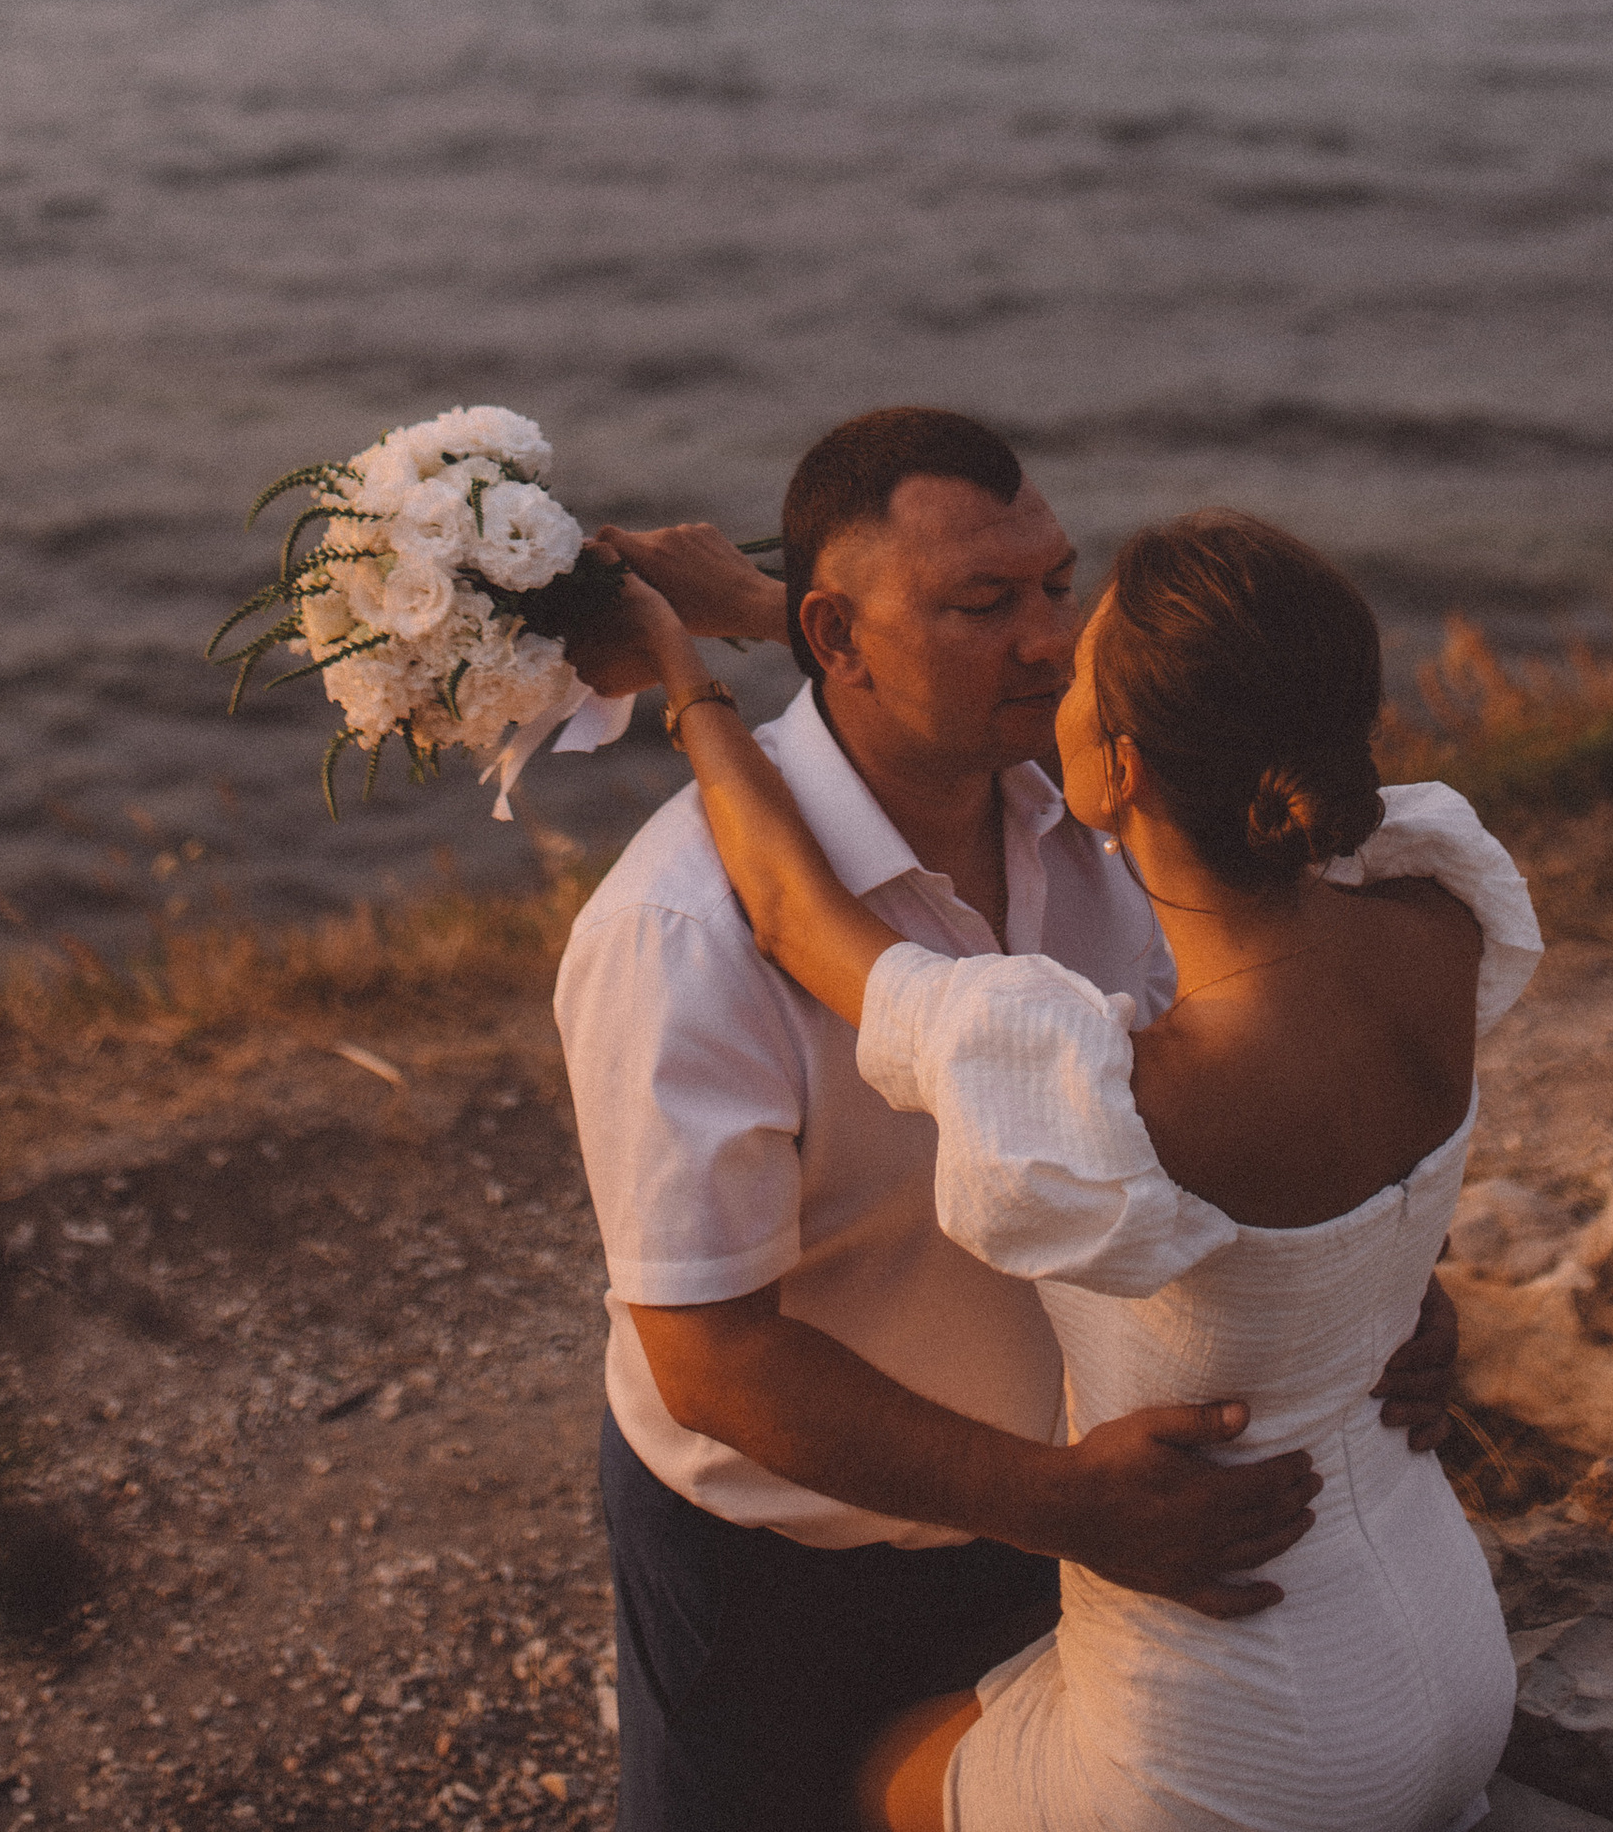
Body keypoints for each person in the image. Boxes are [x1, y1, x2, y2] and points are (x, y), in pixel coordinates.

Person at [553, 412, 1464, 1832]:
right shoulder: (679, 932)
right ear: (835, 638)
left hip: (1084, 1531)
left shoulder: (1134, 825)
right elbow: (710, 1358)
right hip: (788, 1554)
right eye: (987, 604)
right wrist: (1056, 1502)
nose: (1050, 639)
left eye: (1057, 586)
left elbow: (1273, 1084)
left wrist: (1383, 1290)